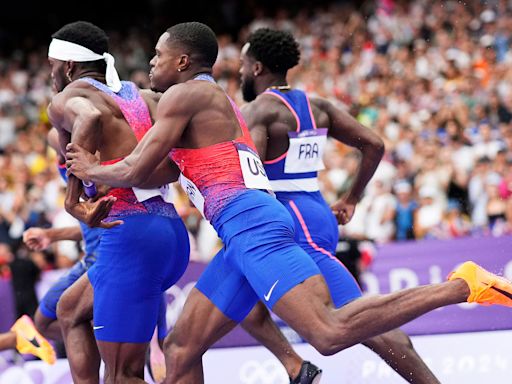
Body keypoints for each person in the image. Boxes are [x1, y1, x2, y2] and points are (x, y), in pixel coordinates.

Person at [65, 21, 512, 384]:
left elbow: (136, 169)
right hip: (248, 229)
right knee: (181, 347)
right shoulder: (211, 102)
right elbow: (161, 170)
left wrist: (89, 169)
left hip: (256, 223)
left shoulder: (189, 95)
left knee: (328, 331)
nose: (151, 62)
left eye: (158, 55)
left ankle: (461, 285)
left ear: (182, 60)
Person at [237, 27, 442, 383]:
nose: (239, 72)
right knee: (240, 303)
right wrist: (351, 198)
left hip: (290, 222)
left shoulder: (259, 110)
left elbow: (250, 176)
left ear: (256, 68)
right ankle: (295, 367)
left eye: (242, 65)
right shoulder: (318, 107)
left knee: (368, 326)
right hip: (314, 209)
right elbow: (374, 145)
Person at [47, 21, 190, 384]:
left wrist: (73, 199)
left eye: (51, 67)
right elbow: (177, 166)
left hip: (129, 235)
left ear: (67, 66)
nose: (50, 75)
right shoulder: (143, 96)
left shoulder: (69, 96)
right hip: (170, 231)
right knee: (70, 310)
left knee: (123, 375)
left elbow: (89, 116)